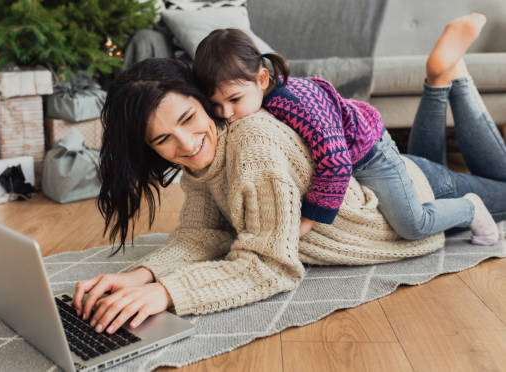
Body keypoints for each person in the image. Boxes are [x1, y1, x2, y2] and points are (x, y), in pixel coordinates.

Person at [72, 15, 506, 337]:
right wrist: (143, 275)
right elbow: (202, 233)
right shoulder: (208, 157)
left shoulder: (252, 144)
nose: (185, 145)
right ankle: (443, 78)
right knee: (424, 159)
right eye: (162, 140)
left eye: (188, 118)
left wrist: (167, 293)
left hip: (411, 194)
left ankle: (449, 81)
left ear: (201, 100)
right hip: (393, 170)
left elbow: (270, 265)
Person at [192, 14, 500, 245]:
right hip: (362, 141)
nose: (227, 114)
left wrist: (309, 220)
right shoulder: (262, 99)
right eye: (216, 106)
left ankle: (469, 207)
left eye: (234, 100)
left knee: (412, 224)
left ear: (261, 79)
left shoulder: (291, 102)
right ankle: (445, 77)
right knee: (421, 180)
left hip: (370, 154)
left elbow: (336, 161)